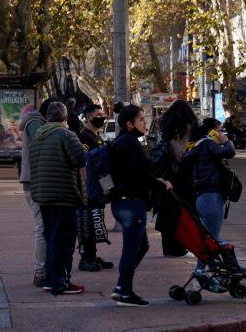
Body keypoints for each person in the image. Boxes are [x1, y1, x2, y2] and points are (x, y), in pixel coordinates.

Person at [109, 104, 172, 307]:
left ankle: (122, 286)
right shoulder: (131, 144)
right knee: (131, 249)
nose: (145, 123)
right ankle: (124, 291)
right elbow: (140, 175)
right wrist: (161, 185)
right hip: (132, 204)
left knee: (141, 245)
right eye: (142, 120)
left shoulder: (121, 142)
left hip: (121, 203)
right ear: (130, 124)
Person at [29, 101, 87, 296]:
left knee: (51, 237)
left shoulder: (38, 137)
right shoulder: (65, 134)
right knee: (63, 240)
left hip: (43, 196)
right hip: (64, 195)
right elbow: (80, 159)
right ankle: (61, 282)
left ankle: (51, 278)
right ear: (65, 117)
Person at [182, 117, 237, 277]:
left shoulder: (194, 147)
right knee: (212, 239)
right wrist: (226, 141)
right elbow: (229, 152)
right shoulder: (208, 144)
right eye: (219, 130)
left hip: (202, 197)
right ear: (211, 131)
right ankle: (202, 270)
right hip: (212, 198)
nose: (221, 133)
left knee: (209, 238)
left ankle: (212, 266)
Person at [151, 100, 200, 257]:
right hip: (187, 170)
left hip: (168, 172)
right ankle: (183, 243)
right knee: (187, 210)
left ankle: (169, 247)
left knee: (168, 210)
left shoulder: (165, 125)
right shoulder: (192, 126)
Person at [76, 103, 114, 272]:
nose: (102, 116)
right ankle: (86, 257)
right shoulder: (84, 137)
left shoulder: (97, 136)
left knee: (95, 220)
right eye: (99, 114)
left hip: (98, 187)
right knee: (87, 222)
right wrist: (85, 188)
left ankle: (93, 255)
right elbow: (83, 164)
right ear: (90, 117)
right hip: (89, 188)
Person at [19, 100, 49, 288]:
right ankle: (41, 271)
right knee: (42, 226)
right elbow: (43, 146)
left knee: (45, 226)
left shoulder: (38, 123)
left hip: (39, 183)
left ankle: (45, 269)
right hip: (35, 183)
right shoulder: (35, 124)